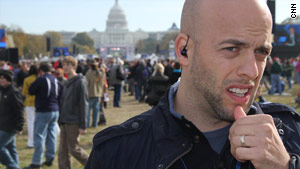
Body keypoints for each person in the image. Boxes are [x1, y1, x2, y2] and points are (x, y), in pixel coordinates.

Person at [85, 0, 300, 169]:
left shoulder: (292, 132)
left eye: (261, 52)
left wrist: (285, 166)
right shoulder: (116, 153)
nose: (252, 71)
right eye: (232, 49)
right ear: (184, 50)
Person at [25, 63, 62, 169]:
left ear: (40, 71)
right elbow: (61, 93)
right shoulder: (56, 80)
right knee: (52, 135)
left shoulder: (41, 79)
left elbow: (31, 90)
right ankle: (50, 158)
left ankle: (36, 162)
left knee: (39, 136)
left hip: (43, 110)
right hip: (55, 110)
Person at [58, 56, 89, 168]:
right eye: (64, 65)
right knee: (62, 151)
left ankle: (94, 164)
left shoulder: (80, 81)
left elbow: (84, 103)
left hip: (74, 120)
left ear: (74, 66)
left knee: (74, 149)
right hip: (64, 119)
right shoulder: (66, 82)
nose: (65, 67)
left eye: (68, 65)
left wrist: (83, 125)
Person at [0, 69, 24, 169]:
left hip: (10, 126)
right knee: (11, 148)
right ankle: (15, 165)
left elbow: (19, 110)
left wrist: (20, 126)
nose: (0, 80)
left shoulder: (13, 92)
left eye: (3, 78)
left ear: (8, 79)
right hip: (4, 124)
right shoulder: (3, 91)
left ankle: (13, 167)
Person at [22, 65, 38, 148]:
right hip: (39, 102)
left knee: (30, 122)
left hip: (29, 102)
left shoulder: (27, 79)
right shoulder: (39, 79)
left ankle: (31, 142)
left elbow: (24, 92)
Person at [85, 60, 105, 127]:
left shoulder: (89, 73)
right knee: (96, 111)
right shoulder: (101, 73)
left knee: (88, 111)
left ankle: (87, 124)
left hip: (90, 93)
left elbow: (86, 83)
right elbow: (102, 83)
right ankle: (95, 124)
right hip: (98, 94)